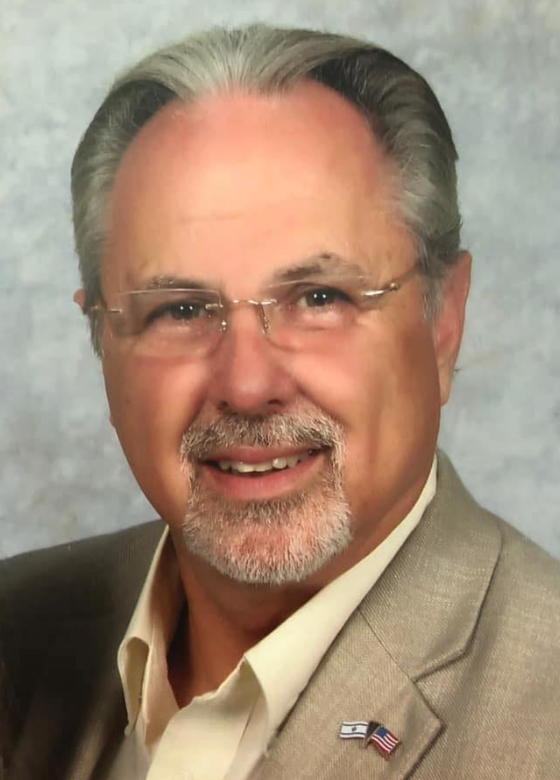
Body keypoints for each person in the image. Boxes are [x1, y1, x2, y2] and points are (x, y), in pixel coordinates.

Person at [1, 24, 559, 780]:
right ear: (101, 337)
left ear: (443, 323)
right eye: (180, 309)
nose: (246, 383)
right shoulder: (16, 630)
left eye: (319, 297)